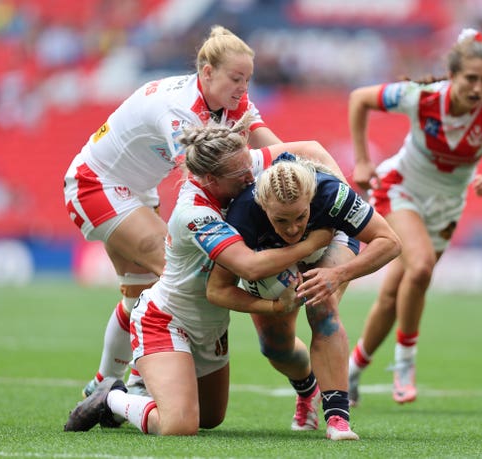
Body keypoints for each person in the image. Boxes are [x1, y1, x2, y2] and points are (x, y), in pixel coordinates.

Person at [63, 25, 343, 398]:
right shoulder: (180, 112)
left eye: (248, 79)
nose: (243, 88)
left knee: (137, 294)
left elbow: (278, 153)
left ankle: (103, 387)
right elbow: (206, 184)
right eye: (236, 79)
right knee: (176, 273)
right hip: (96, 184)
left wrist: (301, 191)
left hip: (135, 187)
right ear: (207, 72)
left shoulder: (229, 100)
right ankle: (139, 384)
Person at [64, 113, 335, 436]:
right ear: (209, 179)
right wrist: (315, 243)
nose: (250, 176)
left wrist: (340, 198)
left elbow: (312, 149)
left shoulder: (238, 167)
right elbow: (247, 266)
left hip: (212, 328)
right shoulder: (194, 213)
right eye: (239, 173)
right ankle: (112, 397)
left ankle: (144, 395)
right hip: (166, 320)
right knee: (179, 425)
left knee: (210, 418)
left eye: (248, 163)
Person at [346, 28, 482, 406]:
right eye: (470, 79)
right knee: (421, 267)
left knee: (394, 293)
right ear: (452, 76)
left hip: (445, 208)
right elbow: (359, 99)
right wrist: (361, 159)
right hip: (399, 188)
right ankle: (404, 364)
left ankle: (351, 371)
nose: (477, 88)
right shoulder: (421, 97)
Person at [206, 155, 402, 440]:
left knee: (321, 303)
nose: (293, 228)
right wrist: (272, 306)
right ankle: (307, 389)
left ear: (311, 199)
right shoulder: (243, 214)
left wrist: (339, 274)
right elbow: (217, 289)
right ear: (263, 207)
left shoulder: (332, 194)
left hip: (331, 243)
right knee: (275, 346)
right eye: (280, 220)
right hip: (268, 256)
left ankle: (338, 419)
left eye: (300, 216)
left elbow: (390, 242)